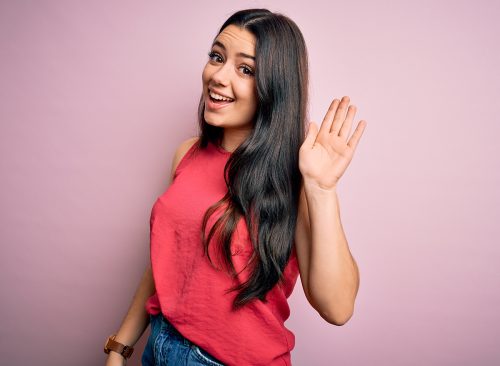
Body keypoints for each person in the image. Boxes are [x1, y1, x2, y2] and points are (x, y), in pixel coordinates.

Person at [104, 8, 366, 366]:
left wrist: (320, 189)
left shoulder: (295, 178)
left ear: (274, 86)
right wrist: (120, 347)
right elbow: (164, 262)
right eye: (216, 57)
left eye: (245, 69)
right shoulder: (187, 154)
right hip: (160, 346)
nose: (218, 76)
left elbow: (338, 308)